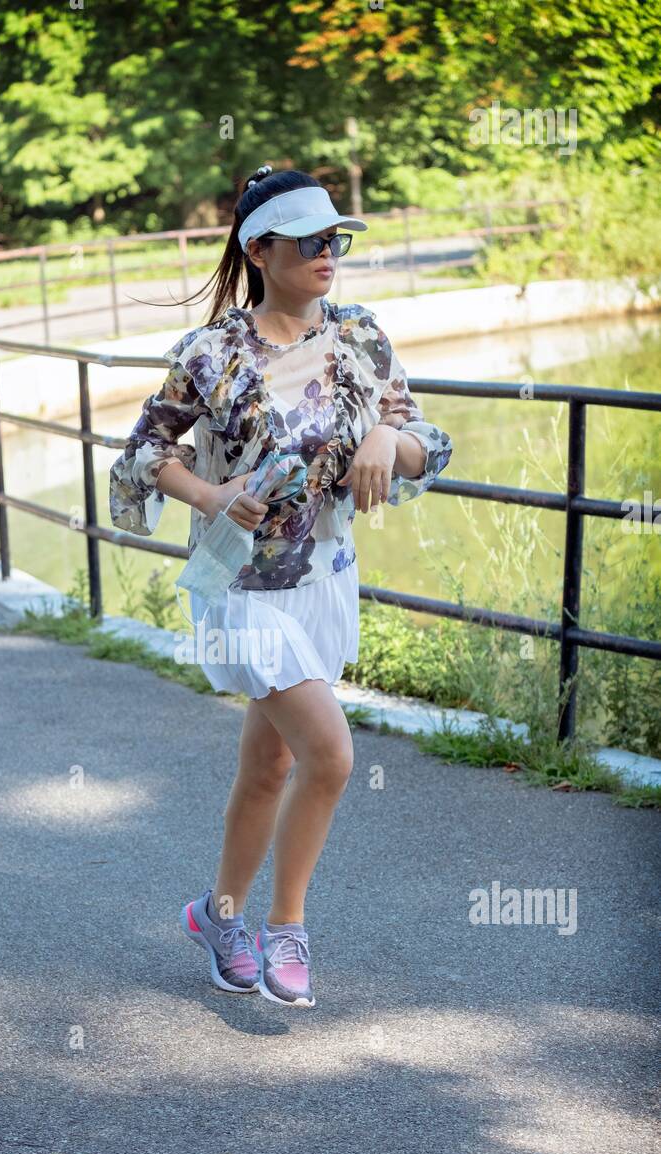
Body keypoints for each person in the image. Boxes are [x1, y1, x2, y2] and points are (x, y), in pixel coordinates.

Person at [109, 166, 453, 1007]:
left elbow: (426, 444)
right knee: (329, 756)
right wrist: (212, 494)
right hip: (238, 587)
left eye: (335, 238)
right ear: (257, 249)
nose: (328, 253)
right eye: (307, 240)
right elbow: (142, 455)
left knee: (267, 766)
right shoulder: (212, 352)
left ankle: (217, 915)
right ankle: (285, 926)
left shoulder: (363, 337)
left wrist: (383, 435)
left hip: (324, 579)